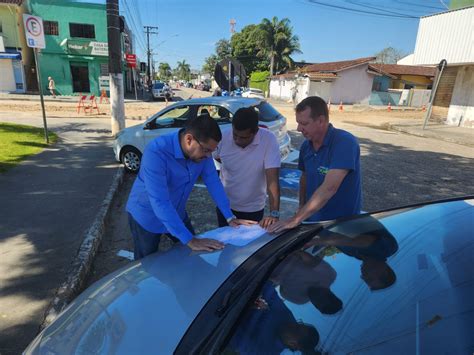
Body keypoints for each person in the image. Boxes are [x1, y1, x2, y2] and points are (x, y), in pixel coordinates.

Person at [126, 114, 255, 259]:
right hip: (146, 216)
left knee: (193, 256)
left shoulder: (203, 154)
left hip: (177, 212)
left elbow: (213, 181)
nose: (208, 156)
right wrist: (190, 240)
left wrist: (229, 216)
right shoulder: (156, 152)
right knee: (146, 264)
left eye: (211, 151)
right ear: (189, 140)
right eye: (206, 150)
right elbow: (160, 201)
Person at [268, 96, 361, 233]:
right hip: (312, 222)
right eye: (298, 123)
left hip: (341, 226)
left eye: (304, 124)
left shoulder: (345, 143)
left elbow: (330, 188)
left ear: (321, 121)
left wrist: (296, 219)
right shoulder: (306, 146)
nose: (299, 129)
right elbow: (304, 178)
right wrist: (301, 207)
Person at [214, 107, 281, 228]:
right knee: (226, 244)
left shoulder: (268, 139)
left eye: (243, 137)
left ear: (255, 132)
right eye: (235, 135)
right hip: (225, 207)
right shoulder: (223, 137)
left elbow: (272, 180)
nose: (237, 140)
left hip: (253, 209)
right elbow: (213, 158)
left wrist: (274, 213)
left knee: (248, 245)